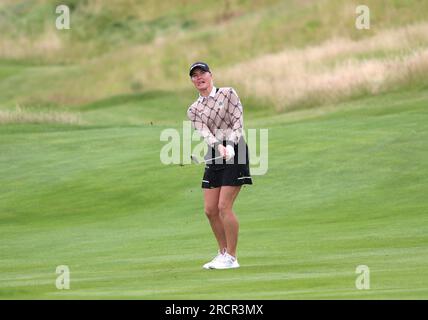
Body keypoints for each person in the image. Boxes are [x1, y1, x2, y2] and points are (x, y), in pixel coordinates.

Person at [186, 61, 253, 269]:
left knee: (224, 206)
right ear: (192, 81)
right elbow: (205, 132)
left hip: (237, 150)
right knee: (210, 209)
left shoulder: (228, 93)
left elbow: (237, 121)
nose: (199, 78)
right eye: (194, 75)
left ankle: (232, 257)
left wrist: (231, 145)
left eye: (202, 73)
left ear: (210, 75)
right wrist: (218, 146)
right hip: (215, 152)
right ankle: (222, 253)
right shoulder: (194, 109)